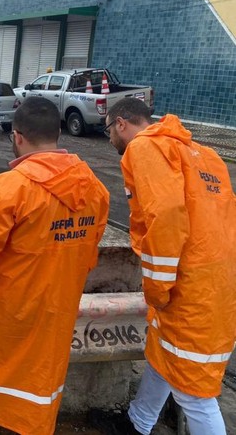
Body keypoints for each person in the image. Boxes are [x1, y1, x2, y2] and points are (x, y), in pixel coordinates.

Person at [0, 97, 110, 435]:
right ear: (57, 133)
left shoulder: (10, 188)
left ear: (17, 137)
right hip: (56, 315)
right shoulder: (94, 189)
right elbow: (88, 254)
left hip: (6, 316)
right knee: (35, 392)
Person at [97, 98, 236, 435]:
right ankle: (138, 422)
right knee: (164, 357)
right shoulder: (204, 154)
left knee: (194, 391)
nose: (110, 140)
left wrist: (158, 287)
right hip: (217, 281)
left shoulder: (143, 149)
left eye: (108, 131)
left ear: (120, 124)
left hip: (186, 287)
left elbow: (166, 217)